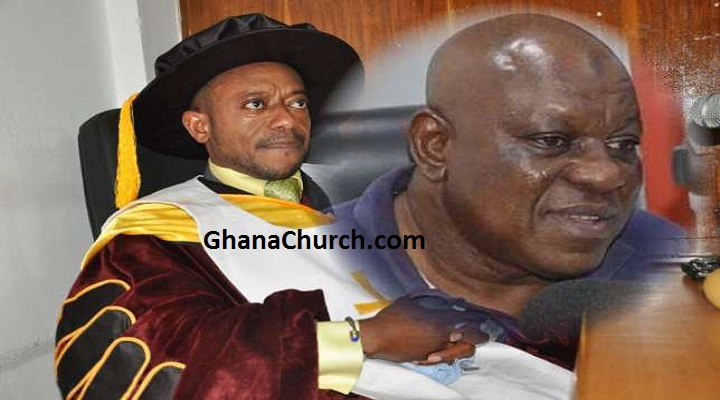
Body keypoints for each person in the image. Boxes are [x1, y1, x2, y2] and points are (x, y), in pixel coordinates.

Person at [54, 14, 479, 400]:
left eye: (297, 103)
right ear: (199, 126)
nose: (286, 121)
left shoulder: (369, 203)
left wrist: (450, 332)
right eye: (256, 104)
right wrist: (361, 338)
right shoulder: (157, 233)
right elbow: (138, 358)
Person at [328, 13, 686, 398]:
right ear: (435, 146)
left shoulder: (670, 260)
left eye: (623, 145)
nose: (606, 175)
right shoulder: (298, 279)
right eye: (551, 141)